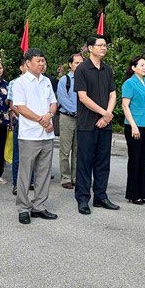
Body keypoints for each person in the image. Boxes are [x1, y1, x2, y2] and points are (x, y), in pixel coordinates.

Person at [11, 49, 59, 224]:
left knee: (44, 172)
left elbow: (53, 103)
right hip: (29, 134)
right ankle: (23, 207)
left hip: (46, 134)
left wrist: (49, 117)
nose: (41, 64)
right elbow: (20, 108)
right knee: (25, 173)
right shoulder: (20, 83)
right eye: (38, 61)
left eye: (43, 61)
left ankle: (39, 205)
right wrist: (41, 119)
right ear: (28, 63)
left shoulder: (46, 81)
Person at [73, 34, 118, 215]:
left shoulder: (108, 70)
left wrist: (107, 117)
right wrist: (104, 113)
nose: (103, 48)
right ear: (90, 48)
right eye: (100, 45)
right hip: (87, 124)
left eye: (105, 45)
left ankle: (101, 196)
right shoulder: (82, 69)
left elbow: (113, 94)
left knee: (102, 162)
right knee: (84, 163)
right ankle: (83, 199)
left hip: (105, 124)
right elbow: (82, 97)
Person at [122, 56, 145, 204]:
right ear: (134, 67)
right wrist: (133, 126)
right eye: (142, 65)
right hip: (134, 125)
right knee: (135, 159)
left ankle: (144, 193)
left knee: (144, 159)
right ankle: (133, 194)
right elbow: (125, 106)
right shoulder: (129, 83)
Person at [56, 52, 82, 189]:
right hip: (67, 117)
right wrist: (76, 111)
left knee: (78, 150)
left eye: (81, 63)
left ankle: (76, 177)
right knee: (65, 150)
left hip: (82, 119)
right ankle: (65, 178)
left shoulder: (85, 79)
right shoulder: (64, 80)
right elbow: (62, 99)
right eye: (76, 63)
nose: (79, 65)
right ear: (71, 65)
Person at [8, 61, 27, 194]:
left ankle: (30, 181)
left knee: (33, 155)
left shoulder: (43, 81)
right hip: (22, 121)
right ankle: (16, 183)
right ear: (21, 67)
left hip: (37, 123)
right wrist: (26, 116)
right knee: (18, 154)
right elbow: (12, 105)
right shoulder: (15, 83)